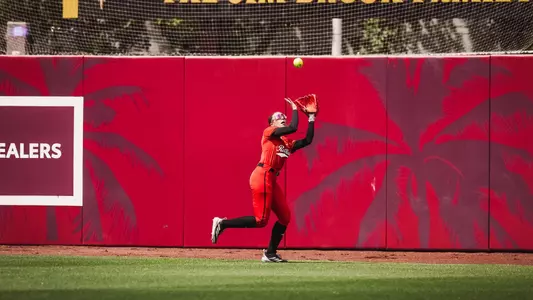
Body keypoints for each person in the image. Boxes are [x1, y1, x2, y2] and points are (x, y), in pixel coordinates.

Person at [211, 97, 316, 263]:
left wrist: (311, 118)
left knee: (285, 216)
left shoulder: (287, 143)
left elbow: (308, 140)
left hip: (271, 179)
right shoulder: (268, 133)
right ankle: (222, 224)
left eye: (283, 117)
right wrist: (295, 109)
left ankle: (270, 253)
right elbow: (293, 127)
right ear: (272, 123)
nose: (282, 119)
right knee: (261, 220)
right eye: (278, 118)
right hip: (263, 175)